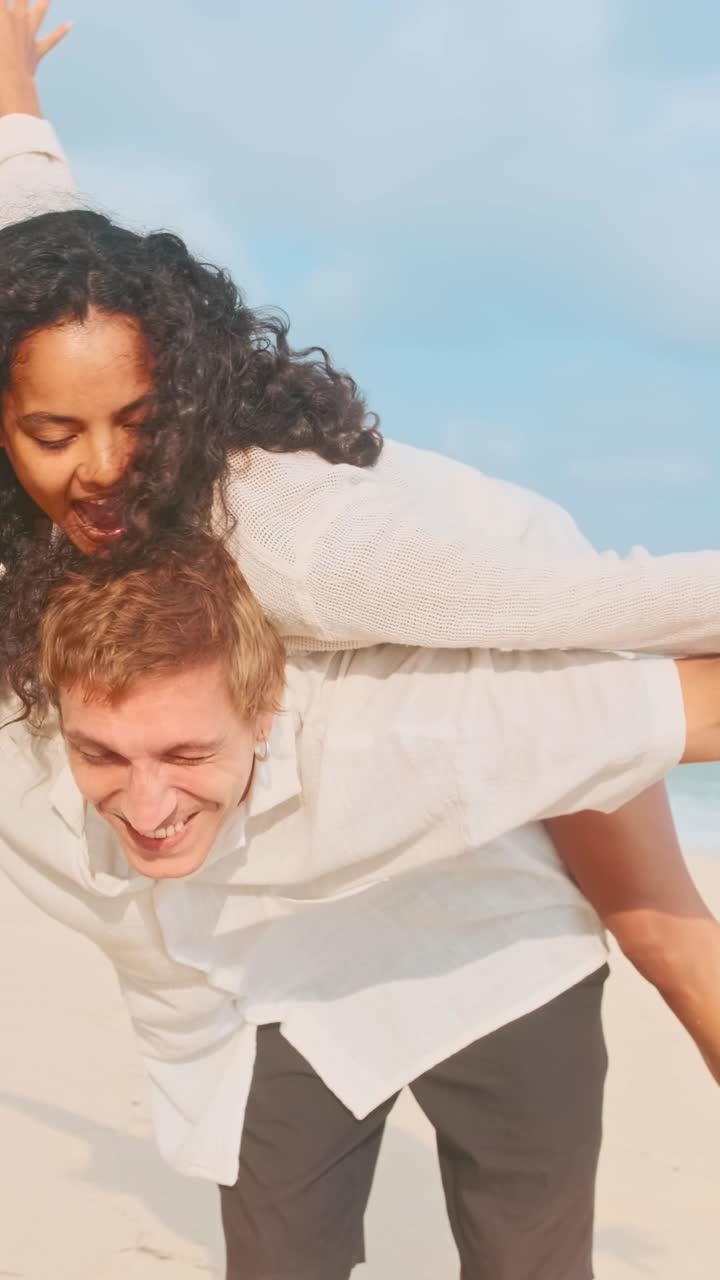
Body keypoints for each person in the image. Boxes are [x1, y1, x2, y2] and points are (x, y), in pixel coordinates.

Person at [0, 0, 717, 1111]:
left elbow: (599, 602)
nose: (101, 468)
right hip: (424, 619)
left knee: (661, 928)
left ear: (177, 384)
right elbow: (35, 211)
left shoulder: (295, 545)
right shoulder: (54, 339)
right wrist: (13, 76)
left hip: (508, 581)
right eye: (53, 435)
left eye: (136, 420)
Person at [0, 533, 718, 1279]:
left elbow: (684, 711)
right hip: (282, 989)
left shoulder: (411, 730)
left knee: (532, 1266)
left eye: (186, 756)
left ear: (265, 712)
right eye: (104, 756)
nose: (147, 808)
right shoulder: (24, 754)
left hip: (493, 953)